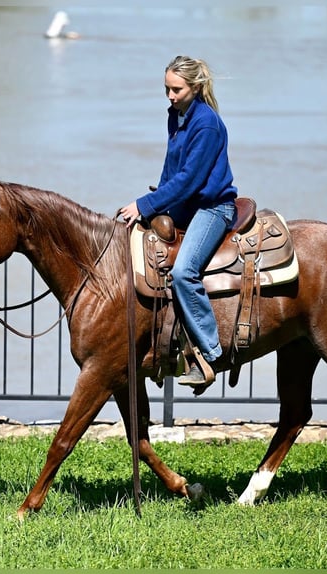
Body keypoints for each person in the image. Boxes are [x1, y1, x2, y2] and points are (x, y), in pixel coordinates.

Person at [120, 55, 238, 387]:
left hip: (213, 208)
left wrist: (144, 205)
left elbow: (189, 180)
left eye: (176, 89)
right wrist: (155, 209)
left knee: (184, 271)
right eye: (166, 90)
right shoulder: (177, 115)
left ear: (195, 87)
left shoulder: (207, 123)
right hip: (185, 205)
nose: (170, 96)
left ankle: (210, 352)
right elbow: (171, 171)